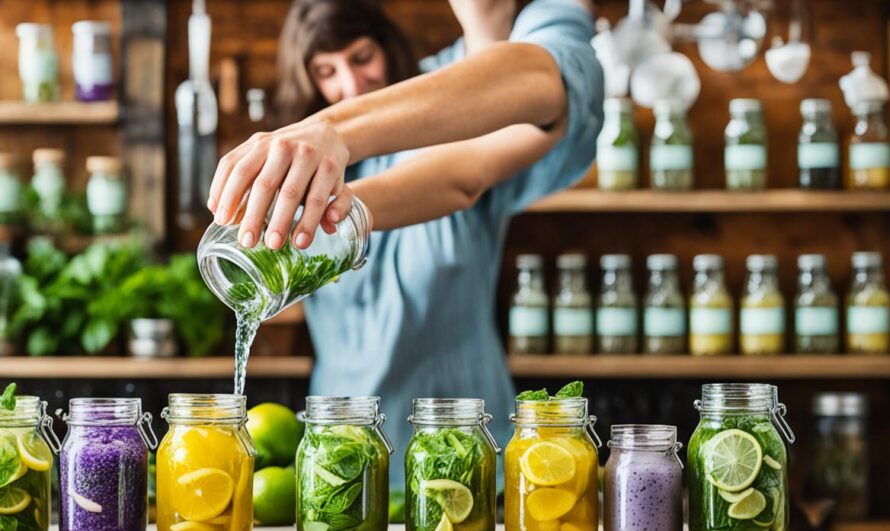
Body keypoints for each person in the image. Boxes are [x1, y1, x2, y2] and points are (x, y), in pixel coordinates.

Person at [210, 0, 603, 485]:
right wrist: (322, 207)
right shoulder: (302, 166)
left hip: (472, 457)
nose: (350, 85)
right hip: (345, 467)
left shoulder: (444, 96)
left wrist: (336, 136)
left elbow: (486, 140)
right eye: (326, 71)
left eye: (361, 57)